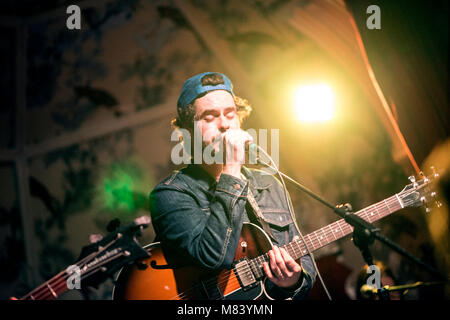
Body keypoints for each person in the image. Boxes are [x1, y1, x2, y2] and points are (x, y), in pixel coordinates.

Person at [149, 72, 316, 300]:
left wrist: (292, 281)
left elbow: (305, 269)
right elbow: (213, 258)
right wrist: (232, 169)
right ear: (188, 132)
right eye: (209, 117)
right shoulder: (171, 194)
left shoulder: (268, 184)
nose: (225, 124)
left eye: (230, 114)